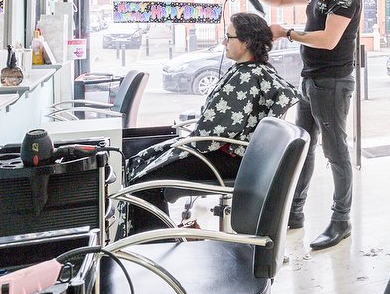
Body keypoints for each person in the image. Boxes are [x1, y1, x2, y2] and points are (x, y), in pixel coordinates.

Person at [231, 0, 361, 250]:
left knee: (336, 151)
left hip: (332, 82)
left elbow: (329, 39)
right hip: (310, 78)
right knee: (304, 146)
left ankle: (341, 220)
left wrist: (287, 33)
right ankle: (295, 212)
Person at [123, 12, 298, 233]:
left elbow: (216, 131)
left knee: (144, 181)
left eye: (229, 37)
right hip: (229, 153)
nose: (224, 43)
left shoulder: (246, 77)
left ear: (245, 42)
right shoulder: (252, 71)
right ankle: (157, 237)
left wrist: (189, 141)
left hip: (227, 158)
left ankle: (154, 244)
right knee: (141, 162)